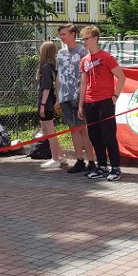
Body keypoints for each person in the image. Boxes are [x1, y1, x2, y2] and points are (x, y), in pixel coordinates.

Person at [78, 26, 125, 181]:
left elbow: (121, 77)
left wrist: (115, 96)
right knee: (94, 136)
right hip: (89, 102)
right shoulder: (84, 60)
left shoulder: (107, 57)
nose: (84, 42)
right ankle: (102, 166)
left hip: (105, 101)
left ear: (95, 39)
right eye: (83, 39)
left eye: (87, 38)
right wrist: (81, 104)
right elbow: (83, 83)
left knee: (108, 135)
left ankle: (115, 167)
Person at [55, 23, 96, 175]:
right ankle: (80, 160)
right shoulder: (60, 53)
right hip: (65, 96)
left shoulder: (83, 51)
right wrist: (58, 97)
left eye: (64, 34)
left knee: (83, 129)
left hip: (80, 96)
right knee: (73, 129)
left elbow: (89, 74)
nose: (61, 37)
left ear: (73, 34)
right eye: (60, 34)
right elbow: (59, 76)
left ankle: (92, 161)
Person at [37, 41, 67, 169]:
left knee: (50, 132)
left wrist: (42, 105)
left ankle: (55, 159)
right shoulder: (51, 67)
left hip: (46, 103)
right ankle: (61, 156)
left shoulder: (45, 67)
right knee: (47, 130)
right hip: (49, 102)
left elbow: (47, 87)